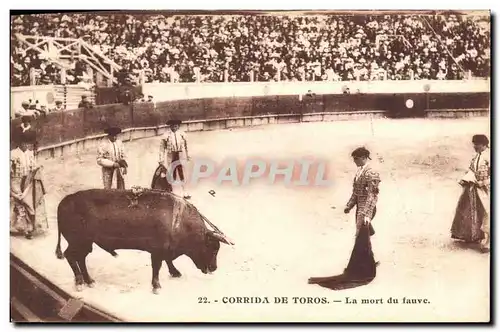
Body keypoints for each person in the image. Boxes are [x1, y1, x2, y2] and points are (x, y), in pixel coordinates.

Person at [451, 134, 490, 253]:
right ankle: (474, 236)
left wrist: (483, 183)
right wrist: (467, 178)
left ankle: (488, 242)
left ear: (483, 145)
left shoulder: (491, 156)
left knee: (488, 212)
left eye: (476, 144)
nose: (474, 146)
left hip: (487, 189)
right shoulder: (477, 156)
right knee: (474, 210)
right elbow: (472, 170)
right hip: (475, 188)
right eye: (474, 144)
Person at [10, 131, 48, 239]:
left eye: (28, 143)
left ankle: (27, 226)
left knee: (29, 205)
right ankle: (27, 229)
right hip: (15, 181)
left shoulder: (30, 153)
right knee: (20, 203)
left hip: (28, 181)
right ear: (20, 142)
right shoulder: (12, 154)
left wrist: (37, 168)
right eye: (25, 143)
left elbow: (33, 169)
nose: (27, 145)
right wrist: (12, 191)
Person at [344, 147, 380, 240]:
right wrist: (349, 205)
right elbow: (356, 192)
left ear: (363, 158)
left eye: (356, 158)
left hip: (366, 207)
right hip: (360, 207)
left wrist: (367, 213)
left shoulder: (371, 172)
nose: (354, 161)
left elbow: (373, 195)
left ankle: (363, 253)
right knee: (361, 232)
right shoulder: (360, 171)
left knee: (360, 234)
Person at [159, 119, 190, 199]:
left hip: (180, 155)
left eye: (175, 126)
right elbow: (161, 148)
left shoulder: (182, 134)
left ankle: (185, 191)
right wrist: (161, 159)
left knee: (182, 174)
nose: (174, 128)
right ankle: (172, 191)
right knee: (171, 174)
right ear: (170, 126)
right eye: (172, 126)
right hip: (171, 156)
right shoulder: (166, 135)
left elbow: (187, 146)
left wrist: (187, 155)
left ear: (178, 126)